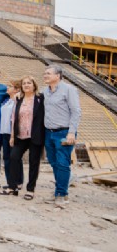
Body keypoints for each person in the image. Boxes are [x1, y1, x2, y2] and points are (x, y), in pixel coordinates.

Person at [0, 76, 45, 200]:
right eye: (24, 83)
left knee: (33, 162)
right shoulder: (19, 99)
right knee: (13, 157)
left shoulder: (40, 99)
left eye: (29, 83)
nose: (26, 85)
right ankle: (13, 187)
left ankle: (30, 189)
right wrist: (13, 136)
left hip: (35, 135)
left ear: (34, 85)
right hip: (20, 135)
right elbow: (14, 118)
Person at [43, 64, 81, 208]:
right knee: (53, 163)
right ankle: (60, 191)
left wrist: (72, 131)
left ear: (57, 76)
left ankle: (61, 194)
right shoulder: (45, 91)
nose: (45, 75)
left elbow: (76, 111)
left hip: (64, 132)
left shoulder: (69, 90)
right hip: (49, 132)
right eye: (45, 73)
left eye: (48, 73)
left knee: (63, 163)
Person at [0, 79, 23, 189]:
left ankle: (18, 181)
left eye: (10, 86)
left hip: (13, 133)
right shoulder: (7, 101)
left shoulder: (18, 101)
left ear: (17, 89)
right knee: (7, 158)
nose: (7, 87)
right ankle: (10, 182)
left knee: (15, 158)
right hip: (4, 132)